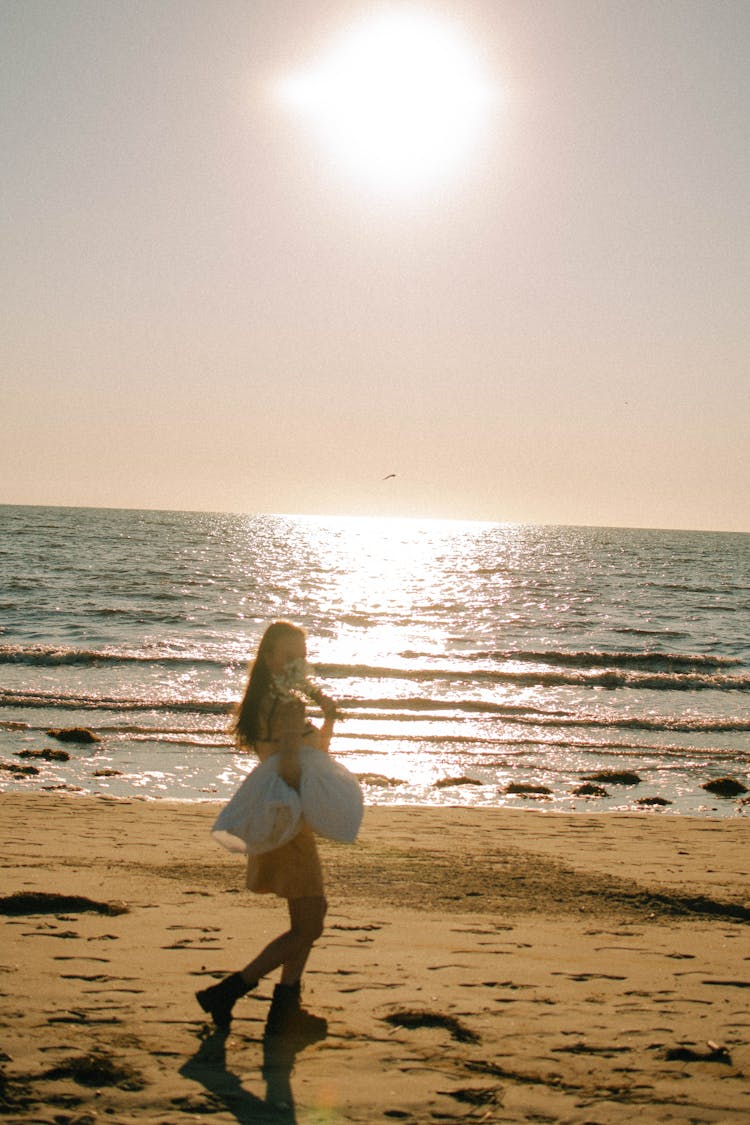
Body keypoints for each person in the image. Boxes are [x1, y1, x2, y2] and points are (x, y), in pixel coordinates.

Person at [196, 621, 338, 1034]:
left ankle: (284, 1010)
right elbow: (293, 767)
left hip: (280, 813)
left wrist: (325, 719)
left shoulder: (267, 700)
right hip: (288, 818)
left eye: (302, 655)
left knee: (305, 916)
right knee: (311, 921)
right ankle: (230, 991)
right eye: (289, 655)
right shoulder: (285, 706)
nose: (297, 662)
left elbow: (296, 754)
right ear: (271, 657)